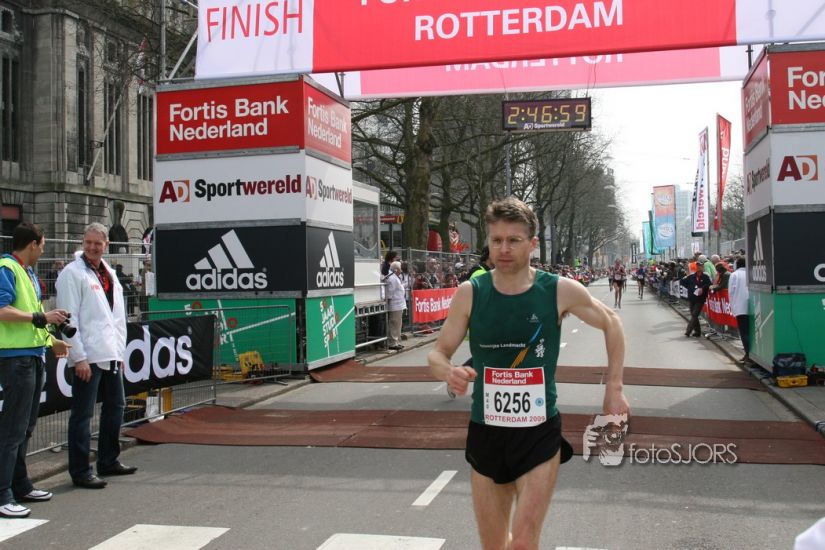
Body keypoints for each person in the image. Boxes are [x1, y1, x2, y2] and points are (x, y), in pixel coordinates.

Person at [428, 197, 629, 550]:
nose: (503, 249)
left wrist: (614, 387)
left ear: (532, 244)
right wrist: (449, 371)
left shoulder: (558, 290)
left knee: (522, 542)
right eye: (496, 240)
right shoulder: (471, 293)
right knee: (494, 545)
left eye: (514, 240)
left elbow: (612, 322)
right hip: (487, 431)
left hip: (538, 432)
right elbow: (437, 352)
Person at [56, 223, 135, 489]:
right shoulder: (72, 274)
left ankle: (108, 460)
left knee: (116, 406)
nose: (92, 247)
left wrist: (119, 353)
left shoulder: (109, 274)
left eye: (97, 243)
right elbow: (68, 318)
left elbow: (118, 318)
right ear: (82, 242)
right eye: (88, 242)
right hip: (88, 356)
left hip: (110, 353)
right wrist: (78, 357)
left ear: (106, 245)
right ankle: (80, 471)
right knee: (83, 414)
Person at [0, 222, 70, 518]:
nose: (43, 250)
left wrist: (51, 340)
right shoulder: (7, 268)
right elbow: (2, 310)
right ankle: (3, 494)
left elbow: (31, 319)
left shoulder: (25, 271)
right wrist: (40, 317)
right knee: (13, 429)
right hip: (16, 359)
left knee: (26, 427)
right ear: (33, 244)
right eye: (42, 245)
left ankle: (20, 485)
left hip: (31, 356)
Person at [679, 260, 712, 338]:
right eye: (697, 266)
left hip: (700, 299)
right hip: (692, 298)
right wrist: (690, 288)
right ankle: (697, 332)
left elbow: (709, 285)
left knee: (694, 314)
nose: (699, 267)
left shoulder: (705, 276)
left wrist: (702, 288)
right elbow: (682, 282)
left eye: (700, 266)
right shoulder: (691, 276)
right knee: (694, 315)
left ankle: (688, 331)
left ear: (703, 267)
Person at [728, 257, 750, 363]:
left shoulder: (734, 275)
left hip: (740, 307)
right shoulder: (751, 273)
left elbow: (731, 292)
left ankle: (748, 354)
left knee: (744, 332)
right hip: (753, 306)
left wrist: (733, 307)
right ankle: (752, 354)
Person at [385, 261, 406, 351]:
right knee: (394, 323)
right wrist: (388, 303)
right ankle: (392, 342)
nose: (401, 271)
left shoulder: (395, 277)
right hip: (395, 305)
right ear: (396, 269)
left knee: (398, 324)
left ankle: (396, 341)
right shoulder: (392, 278)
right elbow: (390, 292)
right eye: (400, 269)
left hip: (398, 304)